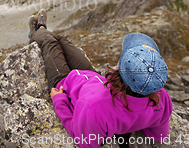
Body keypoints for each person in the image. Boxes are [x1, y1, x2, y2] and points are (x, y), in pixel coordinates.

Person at [28, 9, 173, 148]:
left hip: (64, 83)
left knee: (50, 42)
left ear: (118, 69)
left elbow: (84, 141)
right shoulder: (162, 99)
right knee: (62, 40)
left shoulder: (95, 107)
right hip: (92, 77)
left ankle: (37, 31)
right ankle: (41, 30)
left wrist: (59, 100)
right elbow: (158, 135)